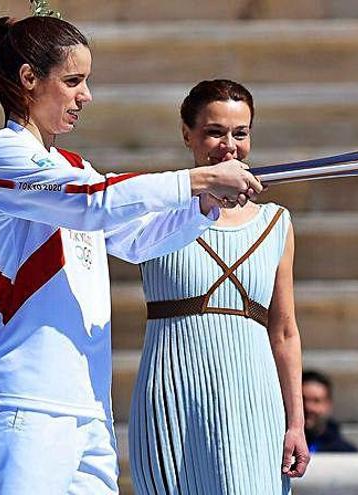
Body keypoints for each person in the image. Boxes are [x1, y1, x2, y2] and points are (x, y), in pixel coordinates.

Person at [0, 14, 262, 495]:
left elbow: (138, 238)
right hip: (22, 401)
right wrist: (200, 179)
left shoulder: (75, 167)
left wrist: (201, 207)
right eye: (74, 81)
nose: (86, 96)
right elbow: (94, 201)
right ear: (28, 80)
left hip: (88, 403)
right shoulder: (0, 157)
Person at [128, 79, 309, 494]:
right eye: (214, 131)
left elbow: (283, 331)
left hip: (253, 397)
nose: (229, 145)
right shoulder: (158, 209)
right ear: (187, 133)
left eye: (240, 133)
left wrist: (295, 423)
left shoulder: (276, 223)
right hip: (173, 392)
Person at [302, 370, 358, 453]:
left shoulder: (345, 452)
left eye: (316, 401)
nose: (308, 407)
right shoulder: (281, 447)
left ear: (328, 405)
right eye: (303, 399)